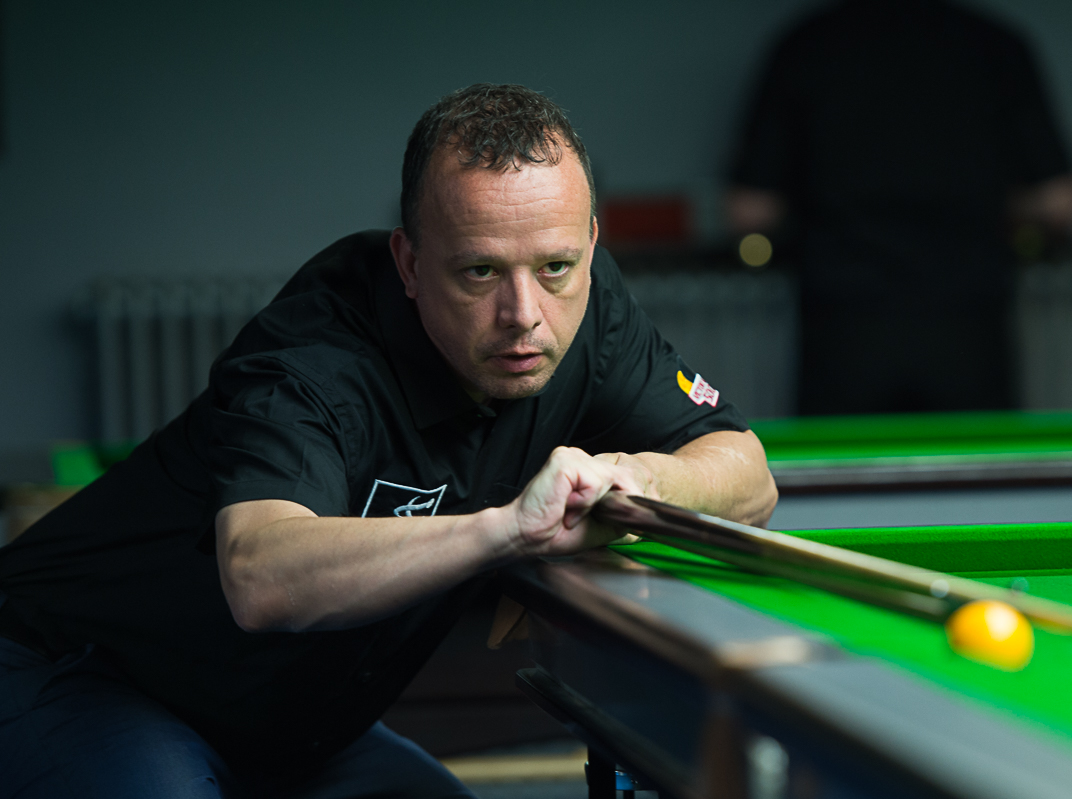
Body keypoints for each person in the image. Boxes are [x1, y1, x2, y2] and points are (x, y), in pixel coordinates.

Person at [0, 84, 777, 798]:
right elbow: (260, 574)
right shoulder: (313, 357)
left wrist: (635, 478)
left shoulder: (591, 308)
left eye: (556, 266)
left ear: (590, 244)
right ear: (409, 261)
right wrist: (507, 529)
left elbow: (746, 471)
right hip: (79, 674)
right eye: (479, 272)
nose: (524, 314)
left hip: (283, 727)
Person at [727, 0, 1072, 415]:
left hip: (846, 326)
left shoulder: (809, 43)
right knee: (974, 457)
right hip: (966, 322)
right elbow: (1060, 202)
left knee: (843, 458)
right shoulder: (993, 44)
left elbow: (749, 211)